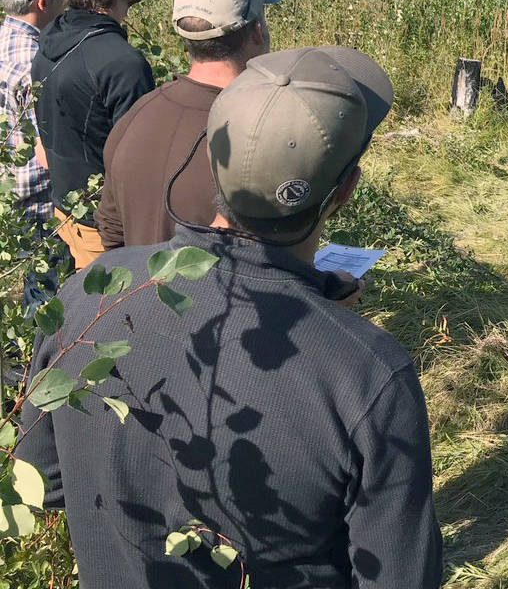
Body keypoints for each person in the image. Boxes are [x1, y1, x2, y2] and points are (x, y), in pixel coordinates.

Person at [18, 46, 443, 589]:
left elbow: (44, 483)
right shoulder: (368, 375)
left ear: (211, 161)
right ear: (344, 192)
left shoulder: (91, 298)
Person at [96, 0, 279, 249]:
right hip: (224, 294)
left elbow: (112, 235)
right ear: (257, 31)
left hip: (136, 290)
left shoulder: (134, 116)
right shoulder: (258, 133)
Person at [31, 0, 160, 270]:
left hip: (68, 209)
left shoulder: (50, 37)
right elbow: (140, 168)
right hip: (106, 233)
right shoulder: (121, 64)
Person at [0, 0, 66, 311]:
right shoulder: (36, 62)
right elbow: (47, 142)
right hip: (38, 195)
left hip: (9, 186)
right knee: (46, 294)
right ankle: (39, 364)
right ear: (44, 1)